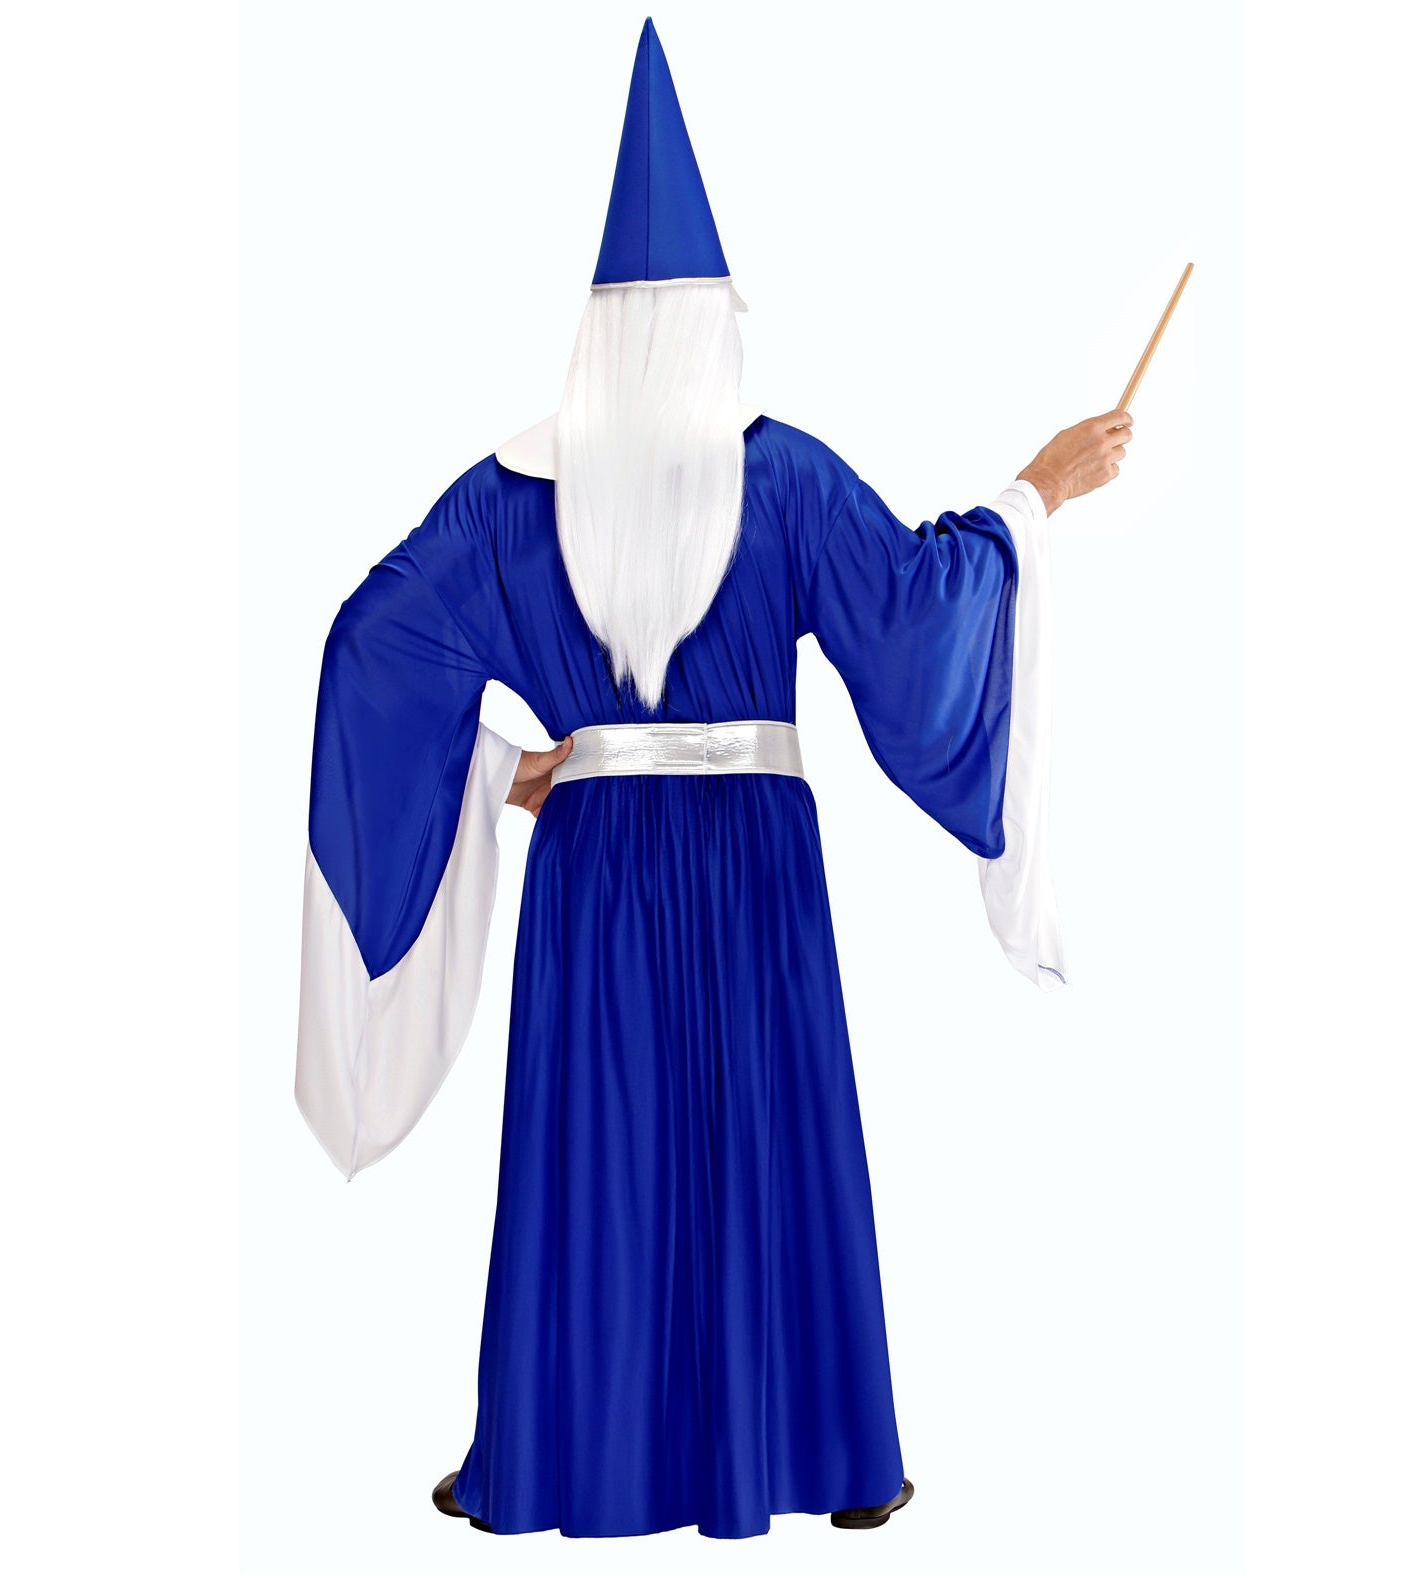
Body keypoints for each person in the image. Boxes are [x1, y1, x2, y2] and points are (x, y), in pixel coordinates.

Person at [294, 16, 1131, 1541]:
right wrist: (1035, 493)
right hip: (751, 855)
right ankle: (821, 1456)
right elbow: (918, 613)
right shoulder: (780, 473)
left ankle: (555, 1451)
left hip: (600, 859)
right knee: (767, 1127)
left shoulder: (510, 503)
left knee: (596, 1144)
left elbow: (372, 645)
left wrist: (510, 769)